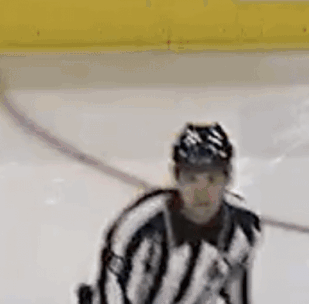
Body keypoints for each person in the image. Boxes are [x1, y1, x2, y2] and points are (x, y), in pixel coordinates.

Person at [79, 123, 261, 304]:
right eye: (191, 178)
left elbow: (237, 293)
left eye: (212, 179)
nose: (201, 190)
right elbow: (110, 292)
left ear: (228, 177)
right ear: (176, 177)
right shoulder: (139, 226)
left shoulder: (243, 227)